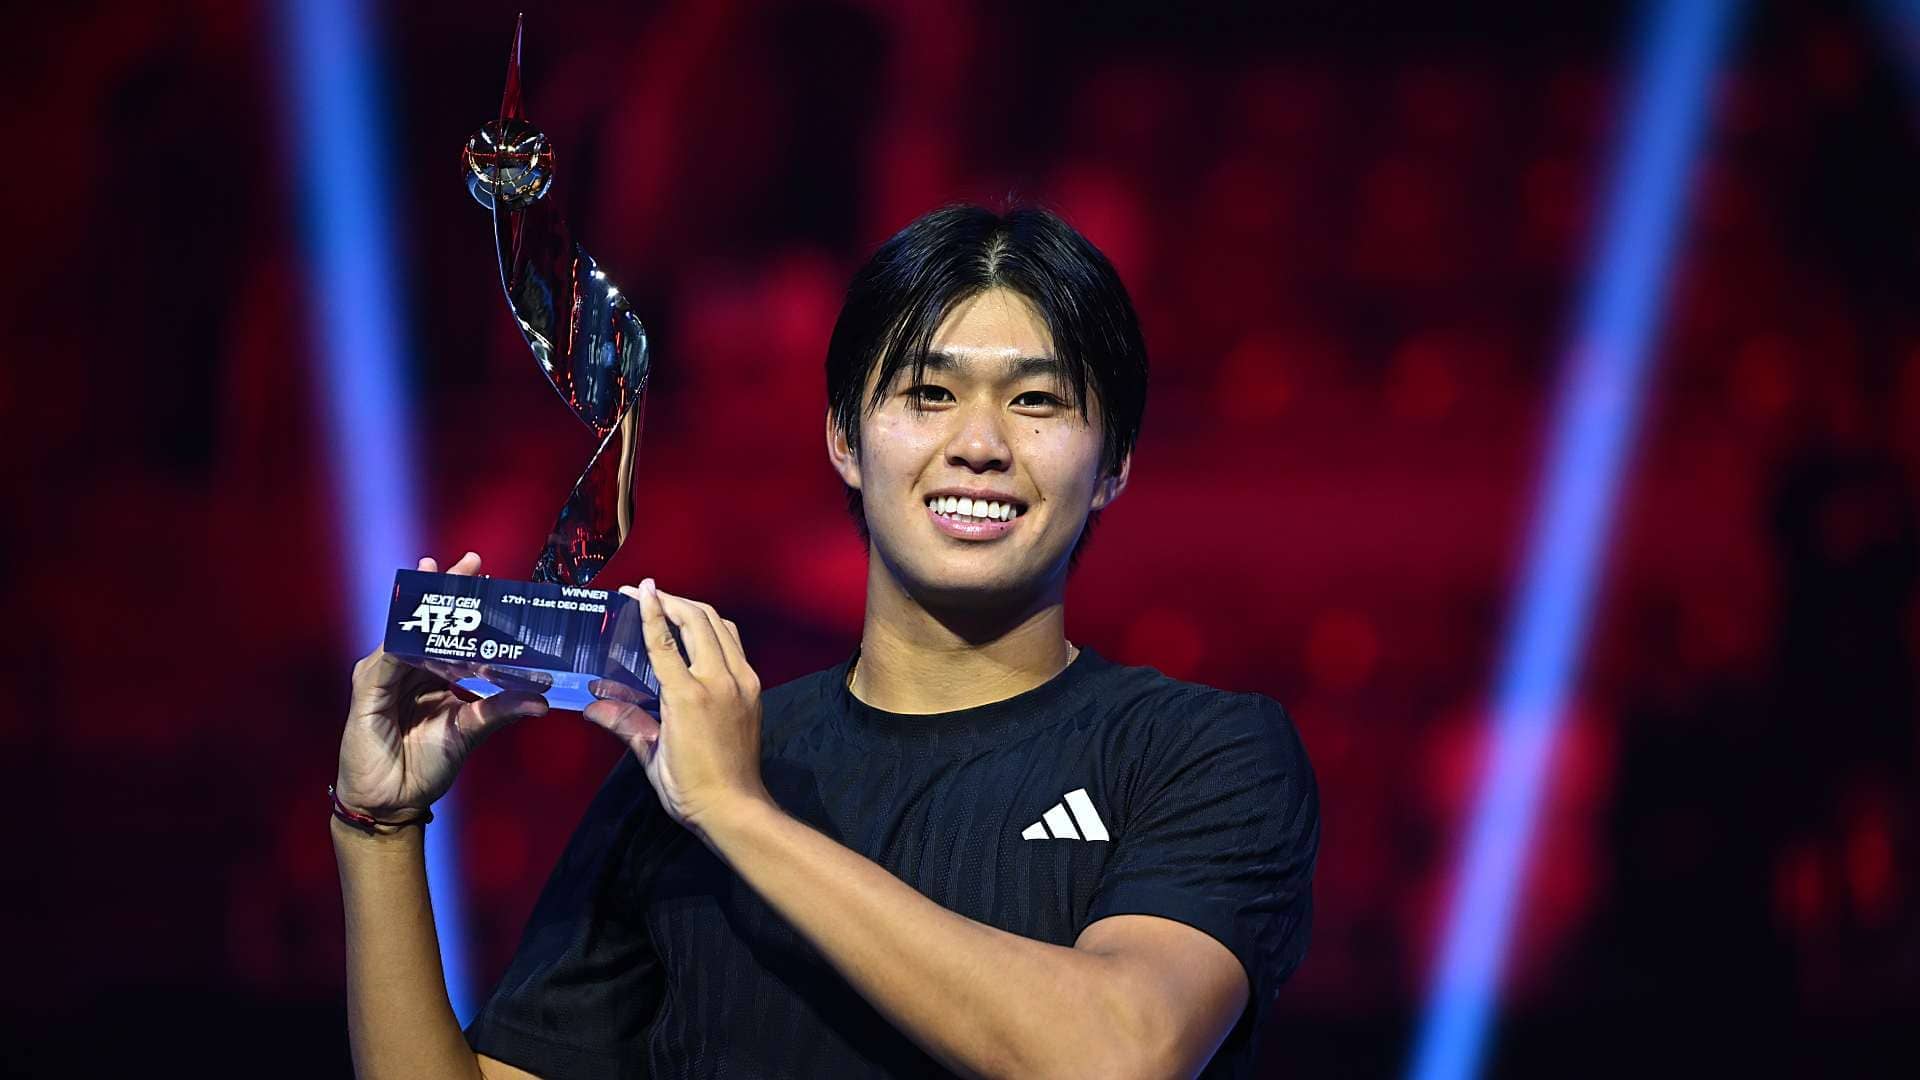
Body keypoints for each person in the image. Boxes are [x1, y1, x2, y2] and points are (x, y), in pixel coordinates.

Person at [332, 205, 1320, 1079]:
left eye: (1037, 399)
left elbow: (1116, 1055)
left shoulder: (1202, 754)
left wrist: (738, 813)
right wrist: (377, 829)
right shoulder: (679, 771)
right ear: (844, 438)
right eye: (928, 394)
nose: (980, 442)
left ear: (1113, 467)